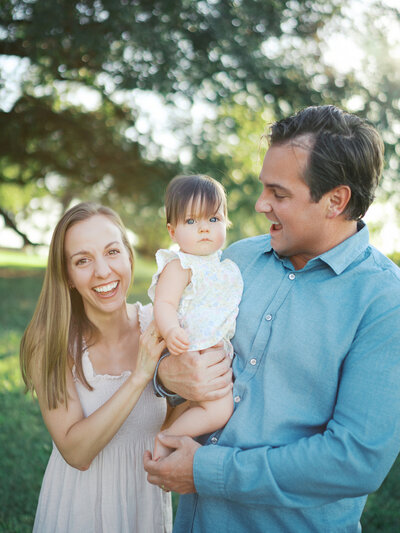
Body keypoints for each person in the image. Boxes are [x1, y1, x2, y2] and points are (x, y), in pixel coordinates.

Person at [144, 105, 400, 532]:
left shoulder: (385, 300)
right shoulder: (235, 260)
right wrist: (167, 376)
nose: (262, 204)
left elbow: (355, 461)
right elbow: (171, 353)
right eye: (265, 188)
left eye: (279, 194)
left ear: (336, 200)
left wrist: (207, 470)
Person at [20, 203, 232, 532]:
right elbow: (76, 452)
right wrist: (140, 377)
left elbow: (171, 423)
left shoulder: (162, 325)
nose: (103, 271)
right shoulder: (52, 343)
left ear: (129, 257)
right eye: (83, 260)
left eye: (112, 252)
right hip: (80, 506)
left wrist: (185, 389)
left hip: (143, 504)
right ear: (68, 276)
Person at [148, 175, 243, 459]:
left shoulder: (224, 266)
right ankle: (168, 439)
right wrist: (171, 330)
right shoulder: (180, 265)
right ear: (173, 231)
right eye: (191, 221)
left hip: (213, 351)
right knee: (219, 410)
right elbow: (164, 303)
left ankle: (172, 439)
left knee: (217, 409)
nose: (203, 228)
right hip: (191, 347)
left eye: (213, 219)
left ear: (226, 222)